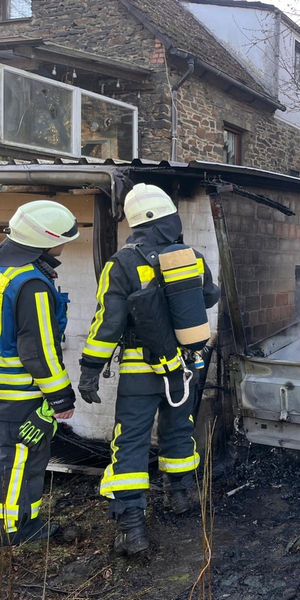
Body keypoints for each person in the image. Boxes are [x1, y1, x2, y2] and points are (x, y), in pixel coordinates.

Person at [78, 183, 220, 556]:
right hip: (184, 370)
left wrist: (90, 368)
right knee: (178, 429)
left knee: (131, 442)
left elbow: (107, 322)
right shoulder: (190, 254)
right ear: (168, 218)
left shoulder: (120, 264)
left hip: (141, 371)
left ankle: (132, 529)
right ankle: (180, 497)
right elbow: (210, 296)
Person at [0, 201, 80, 546]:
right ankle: (16, 529)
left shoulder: (6, 271)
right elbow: (39, 349)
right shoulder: (31, 283)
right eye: (64, 237)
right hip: (18, 395)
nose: (66, 243)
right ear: (45, 240)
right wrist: (61, 395)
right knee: (23, 458)